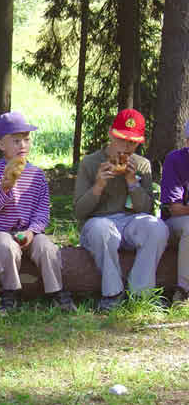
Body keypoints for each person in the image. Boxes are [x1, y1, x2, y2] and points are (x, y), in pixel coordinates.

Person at [74, 108, 169, 311]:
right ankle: (112, 294)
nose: (126, 146)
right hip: (98, 223)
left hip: (131, 223)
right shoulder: (90, 163)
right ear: (111, 134)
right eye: (122, 139)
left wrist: (133, 183)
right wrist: (98, 186)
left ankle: (141, 293)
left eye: (132, 142)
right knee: (101, 229)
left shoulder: (141, 165)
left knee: (158, 228)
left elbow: (147, 210)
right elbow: (79, 212)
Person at [0, 111, 76, 313]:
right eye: (16, 141)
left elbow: (42, 211)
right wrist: (4, 189)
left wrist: (32, 231)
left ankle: (56, 292)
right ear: (1, 144)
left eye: (26, 139)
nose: (22, 145)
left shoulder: (37, 174)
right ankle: (11, 293)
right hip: (3, 232)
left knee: (47, 248)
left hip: (30, 232)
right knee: (5, 247)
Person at [159, 119, 189, 304]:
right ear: (187, 140)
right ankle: (184, 292)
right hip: (175, 223)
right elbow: (175, 209)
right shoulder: (175, 159)